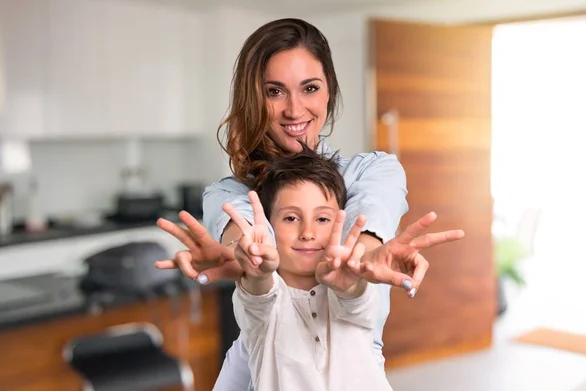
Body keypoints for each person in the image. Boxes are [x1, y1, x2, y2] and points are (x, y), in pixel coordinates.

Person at [154, 18, 465, 391]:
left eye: (310, 88)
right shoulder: (227, 193)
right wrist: (246, 255)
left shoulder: (373, 171)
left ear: (329, 91)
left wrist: (360, 258)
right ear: (253, 98)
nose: (294, 109)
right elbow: (249, 243)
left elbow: (361, 251)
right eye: (274, 91)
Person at [228, 146, 392, 390]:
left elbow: (355, 300)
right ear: (270, 226)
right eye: (291, 218)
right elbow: (257, 297)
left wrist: (349, 285)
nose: (307, 233)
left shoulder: (349, 290)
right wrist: (259, 272)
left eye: (322, 219)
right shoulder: (263, 310)